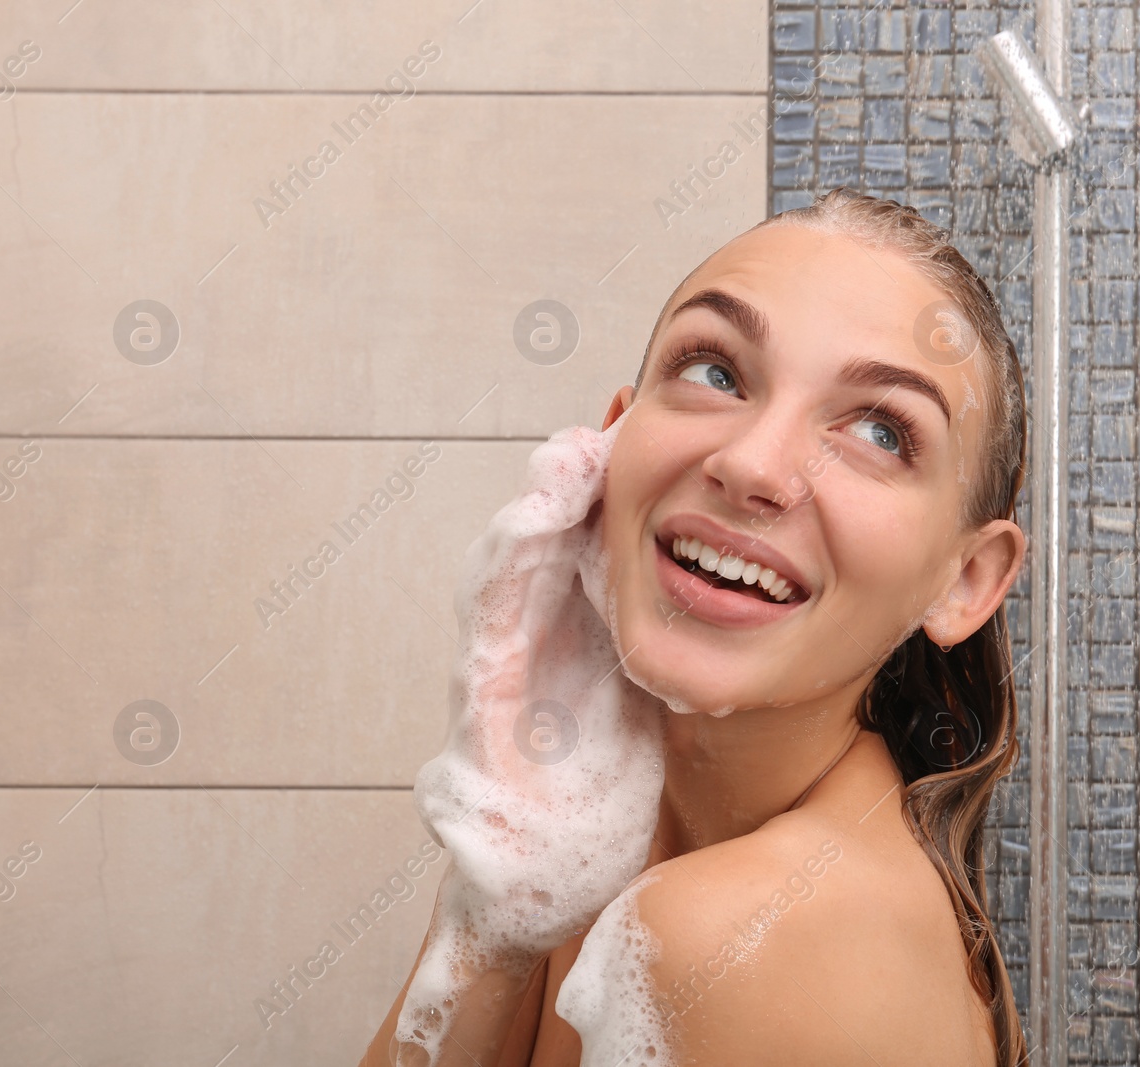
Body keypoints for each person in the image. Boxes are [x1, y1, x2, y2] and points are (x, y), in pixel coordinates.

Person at [363, 187, 1031, 1067]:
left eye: (879, 429)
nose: (752, 464)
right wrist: (493, 908)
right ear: (612, 443)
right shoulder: (582, 841)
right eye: (717, 371)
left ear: (965, 579)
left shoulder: (729, 944)